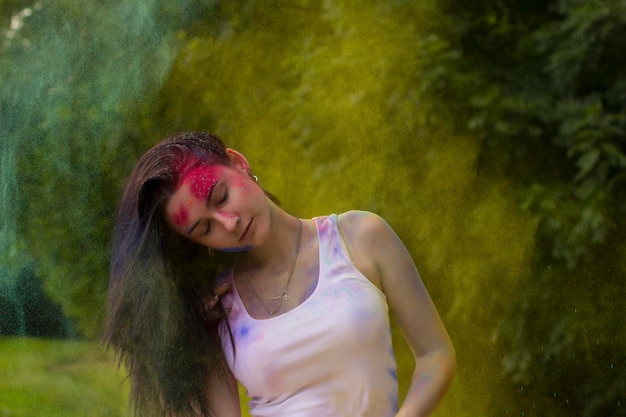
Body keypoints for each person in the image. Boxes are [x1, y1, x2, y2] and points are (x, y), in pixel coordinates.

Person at [103, 131, 456, 417]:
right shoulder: (220, 307)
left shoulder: (360, 237)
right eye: (204, 228)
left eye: (222, 196)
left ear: (238, 163)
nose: (229, 223)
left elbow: (436, 354)